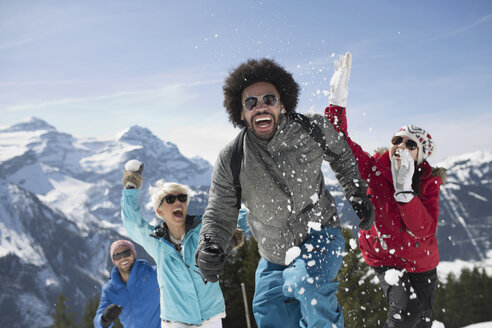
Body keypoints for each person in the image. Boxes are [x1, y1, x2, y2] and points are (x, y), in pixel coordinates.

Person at [195, 58, 376, 328]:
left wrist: (356, 190)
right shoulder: (233, 158)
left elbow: (341, 155)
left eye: (269, 99)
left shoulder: (311, 129)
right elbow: (220, 211)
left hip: (320, 234)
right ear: (241, 113)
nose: (261, 107)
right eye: (251, 103)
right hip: (273, 253)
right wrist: (209, 244)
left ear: (283, 104)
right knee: (268, 312)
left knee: (307, 286)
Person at [324, 52, 447, 328]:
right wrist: (337, 102)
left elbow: (424, 229)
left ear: (421, 156)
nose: (401, 146)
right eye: (397, 139)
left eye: (410, 144)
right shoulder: (373, 170)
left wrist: (406, 192)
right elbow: (338, 143)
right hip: (384, 256)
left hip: (422, 263)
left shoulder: (429, 183)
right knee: (404, 312)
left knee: (421, 320)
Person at [121, 160, 248, 328]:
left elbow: (242, 214)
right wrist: (131, 183)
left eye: (182, 198)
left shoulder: (203, 228)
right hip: (176, 322)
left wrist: (230, 238)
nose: (177, 202)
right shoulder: (156, 242)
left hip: (210, 318)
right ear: (159, 211)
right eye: (170, 199)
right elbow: (132, 222)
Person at [94, 239, 160, 328]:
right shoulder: (110, 290)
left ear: (133, 254)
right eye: (117, 256)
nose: (123, 258)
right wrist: (104, 319)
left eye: (126, 253)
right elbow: (98, 322)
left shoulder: (154, 274)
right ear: (114, 261)